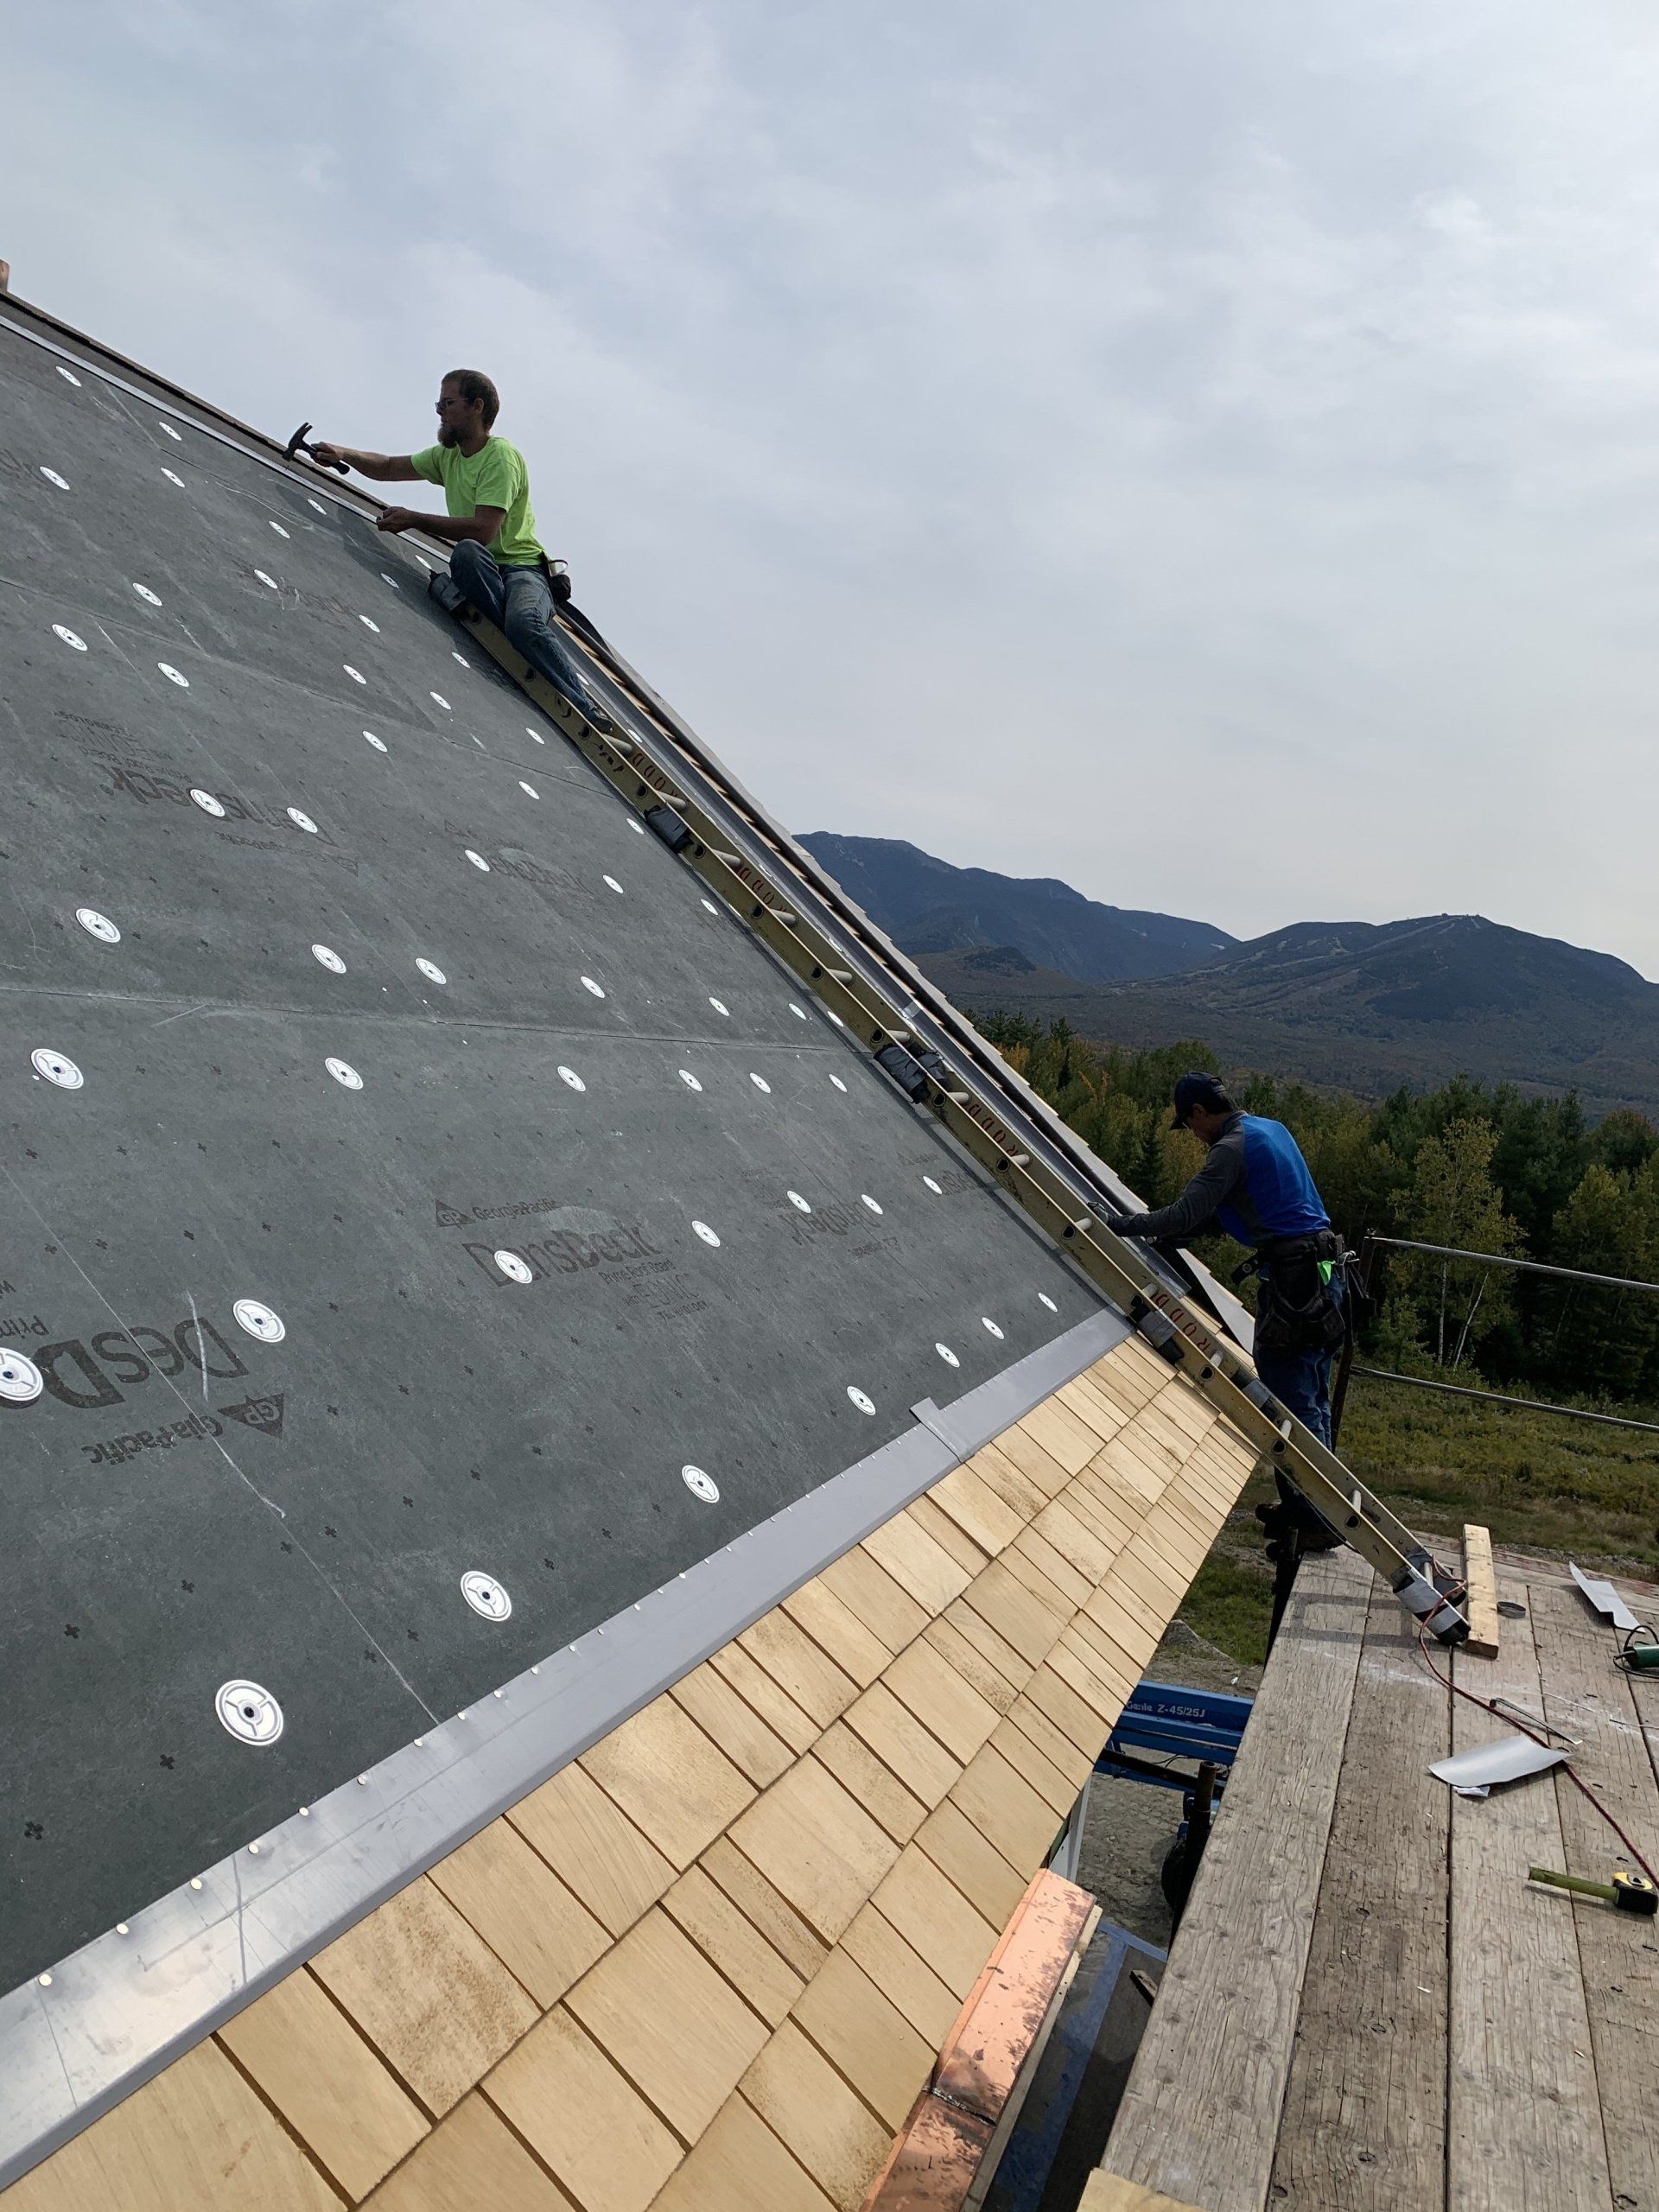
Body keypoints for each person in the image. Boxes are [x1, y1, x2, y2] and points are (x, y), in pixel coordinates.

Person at [308, 370, 611, 726]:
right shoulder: (448, 456)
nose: (440, 411)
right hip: (486, 570)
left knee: (524, 622)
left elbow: (484, 529)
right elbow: (390, 467)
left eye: (448, 403)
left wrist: (414, 519)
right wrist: (341, 452)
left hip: (523, 568)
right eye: (439, 403)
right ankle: (515, 637)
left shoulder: (500, 457)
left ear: (476, 407)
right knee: (468, 558)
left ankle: (586, 710)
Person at [1102, 1073, 1348, 1445]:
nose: (1194, 1134)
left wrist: (1114, 1224)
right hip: (1327, 1274)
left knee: (1290, 1398)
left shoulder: (1230, 1148)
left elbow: (1184, 1212)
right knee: (1313, 1394)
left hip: (1295, 1283)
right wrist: (1186, 1234)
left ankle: (1308, 1503)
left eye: (1189, 1124)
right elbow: (1240, 1209)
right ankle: (1308, 1502)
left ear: (1199, 1111)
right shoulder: (1271, 1129)